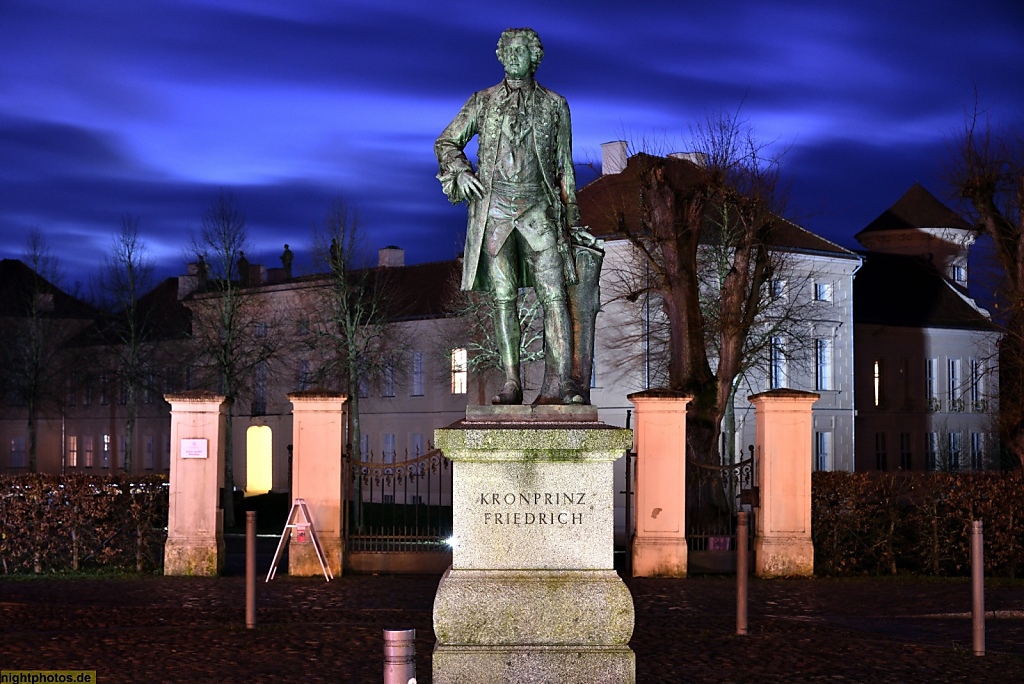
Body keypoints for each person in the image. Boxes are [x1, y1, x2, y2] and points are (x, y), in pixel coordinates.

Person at [436, 27, 584, 405]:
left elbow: (565, 166)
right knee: (503, 298)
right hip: (496, 210)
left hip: (538, 209)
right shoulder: (481, 102)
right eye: (510, 51)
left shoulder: (555, 104)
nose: (515, 56)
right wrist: (461, 171)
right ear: (501, 56)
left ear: (535, 57)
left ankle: (565, 382)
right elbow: (446, 141)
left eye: (523, 51)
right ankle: (511, 382)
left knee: (554, 295)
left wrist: (572, 217)